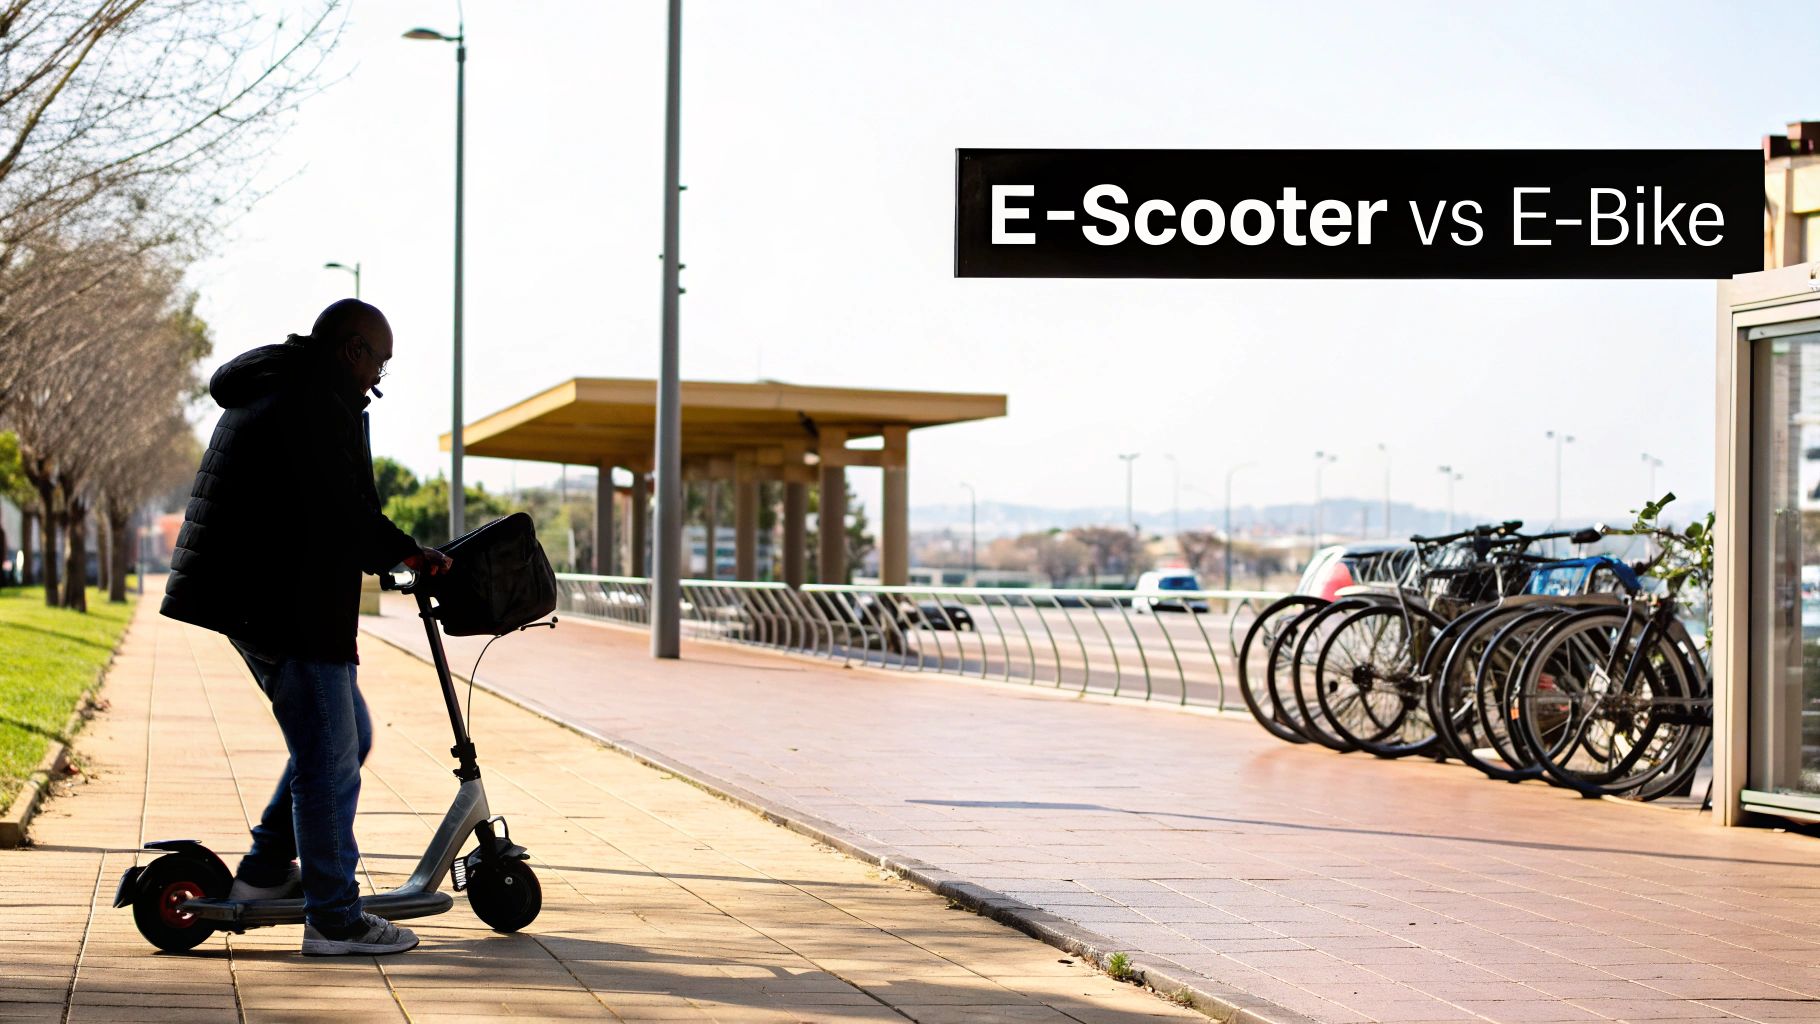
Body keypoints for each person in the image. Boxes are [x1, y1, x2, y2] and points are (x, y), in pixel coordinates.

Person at [161, 298, 451, 956]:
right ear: (352, 349)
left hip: (262, 594)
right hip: (282, 603)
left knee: (345, 739)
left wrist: (392, 553)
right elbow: (342, 510)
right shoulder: (314, 400)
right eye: (379, 359)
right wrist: (408, 554)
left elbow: (325, 509)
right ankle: (334, 918)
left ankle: (266, 875)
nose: (380, 374)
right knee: (328, 760)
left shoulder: (287, 383)